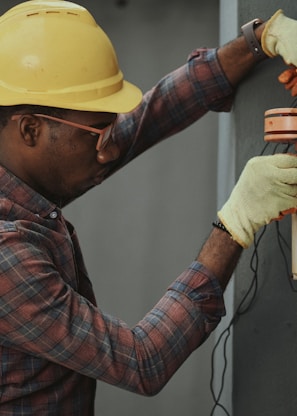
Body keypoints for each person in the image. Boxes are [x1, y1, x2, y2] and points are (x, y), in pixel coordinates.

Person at [1, 1, 297, 414]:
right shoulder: (6, 255)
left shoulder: (23, 173)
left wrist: (259, 40)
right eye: (97, 134)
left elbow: (149, 117)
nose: (107, 152)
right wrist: (234, 224)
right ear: (30, 128)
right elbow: (141, 361)